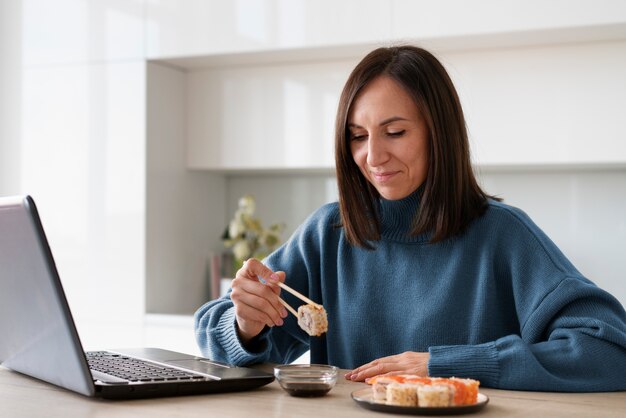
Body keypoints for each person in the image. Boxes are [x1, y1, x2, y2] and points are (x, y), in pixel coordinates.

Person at [195, 45, 626, 392]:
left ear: (439, 132)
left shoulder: (503, 235)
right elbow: (214, 335)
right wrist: (245, 325)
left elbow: (608, 351)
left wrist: (444, 366)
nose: (373, 156)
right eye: (358, 136)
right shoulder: (330, 234)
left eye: (395, 132)